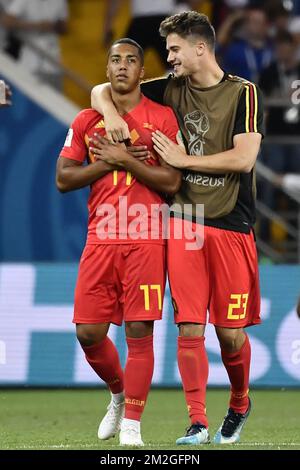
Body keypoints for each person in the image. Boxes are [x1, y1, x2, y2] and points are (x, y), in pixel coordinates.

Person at [91, 11, 264, 445]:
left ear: (199, 48)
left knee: (229, 333)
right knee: (189, 326)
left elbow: (244, 158)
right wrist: (110, 111)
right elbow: (101, 88)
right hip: (185, 221)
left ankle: (240, 401)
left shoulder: (244, 94)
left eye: (173, 49)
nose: (168, 56)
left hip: (232, 222)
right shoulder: (171, 89)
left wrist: (186, 161)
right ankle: (198, 422)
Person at [56, 38, 181, 446]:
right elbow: (64, 179)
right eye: (115, 60)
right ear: (107, 70)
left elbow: (172, 182)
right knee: (88, 333)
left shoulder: (162, 117)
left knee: (139, 331)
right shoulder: (87, 119)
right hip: (101, 238)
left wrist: (125, 159)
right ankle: (118, 393)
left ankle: (132, 425)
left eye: (131, 61)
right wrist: (106, 161)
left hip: (146, 239)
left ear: (143, 73)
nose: (123, 66)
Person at [1, 0, 68, 90]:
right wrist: (37, 25)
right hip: (29, 58)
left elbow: (64, 27)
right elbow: (6, 21)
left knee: (54, 98)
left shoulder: (60, 1)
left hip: (53, 59)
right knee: (25, 93)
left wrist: (53, 26)